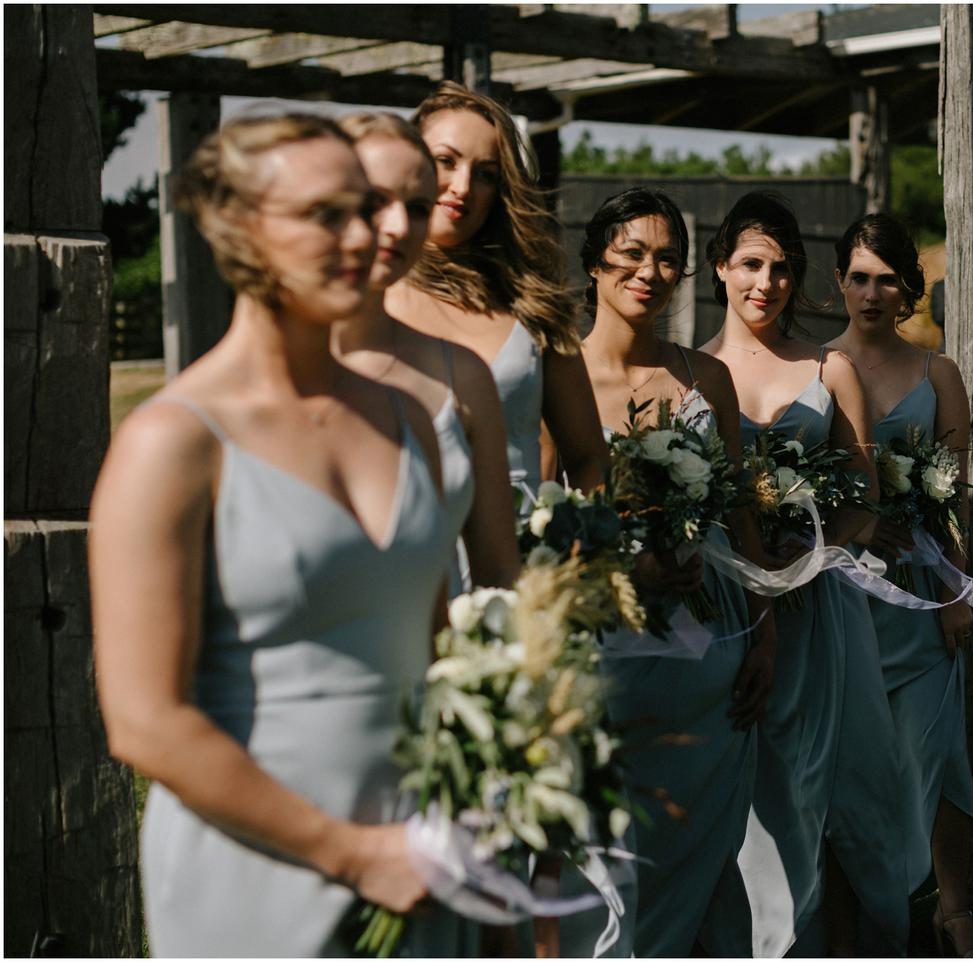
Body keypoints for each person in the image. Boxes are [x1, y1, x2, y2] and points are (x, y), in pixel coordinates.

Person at [90, 114, 464, 955]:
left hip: (423, 858)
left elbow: (440, 653)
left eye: (366, 209)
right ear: (241, 231)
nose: (366, 235)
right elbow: (145, 721)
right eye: (326, 214)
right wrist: (355, 854)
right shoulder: (171, 442)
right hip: (257, 872)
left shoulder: (409, 420)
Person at [699, 191, 924, 957]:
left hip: (819, 606)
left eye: (783, 268)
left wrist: (811, 544)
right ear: (720, 267)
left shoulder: (829, 370)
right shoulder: (693, 374)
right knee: (743, 781)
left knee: (834, 779)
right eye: (752, 264)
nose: (767, 283)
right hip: (726, 602)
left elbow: (865, 502)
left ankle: (850, 931)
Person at [565, 186, 780, 956]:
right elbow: (550, 526)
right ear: (594, 263)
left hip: (710, 642)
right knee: (616, 840)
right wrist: (629, 566)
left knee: (702, 846)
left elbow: (742, 515)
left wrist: (764, 631)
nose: (651, 272)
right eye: (632, 254)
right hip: (605, 649)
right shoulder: (558, 378)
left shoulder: (704, 378)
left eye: (668, 259)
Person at [826, 213, 973, 957]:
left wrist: (956, 589)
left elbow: (953, 493)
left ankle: (952, 908)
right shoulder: (815, 367)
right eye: (858, 277)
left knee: (937, 744)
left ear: (907, 290)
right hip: (845, 594)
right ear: (839, 284)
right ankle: (859, 900)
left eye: (886, 279)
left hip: (922, 588)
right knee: (853, 755)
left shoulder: (938, 374)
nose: (871, 292)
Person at [385, 81, 607, 498]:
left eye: (486, 174)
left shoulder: (535, 308)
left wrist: (587, 551)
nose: (462, 186)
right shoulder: (364, 296)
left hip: (522, 553)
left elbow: (588, 460)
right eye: (445, 161)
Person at [330, 112, 519, 597]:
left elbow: (496, 576)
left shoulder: (464, 376)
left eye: (417, 208)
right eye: (375, 201)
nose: (397, 226)